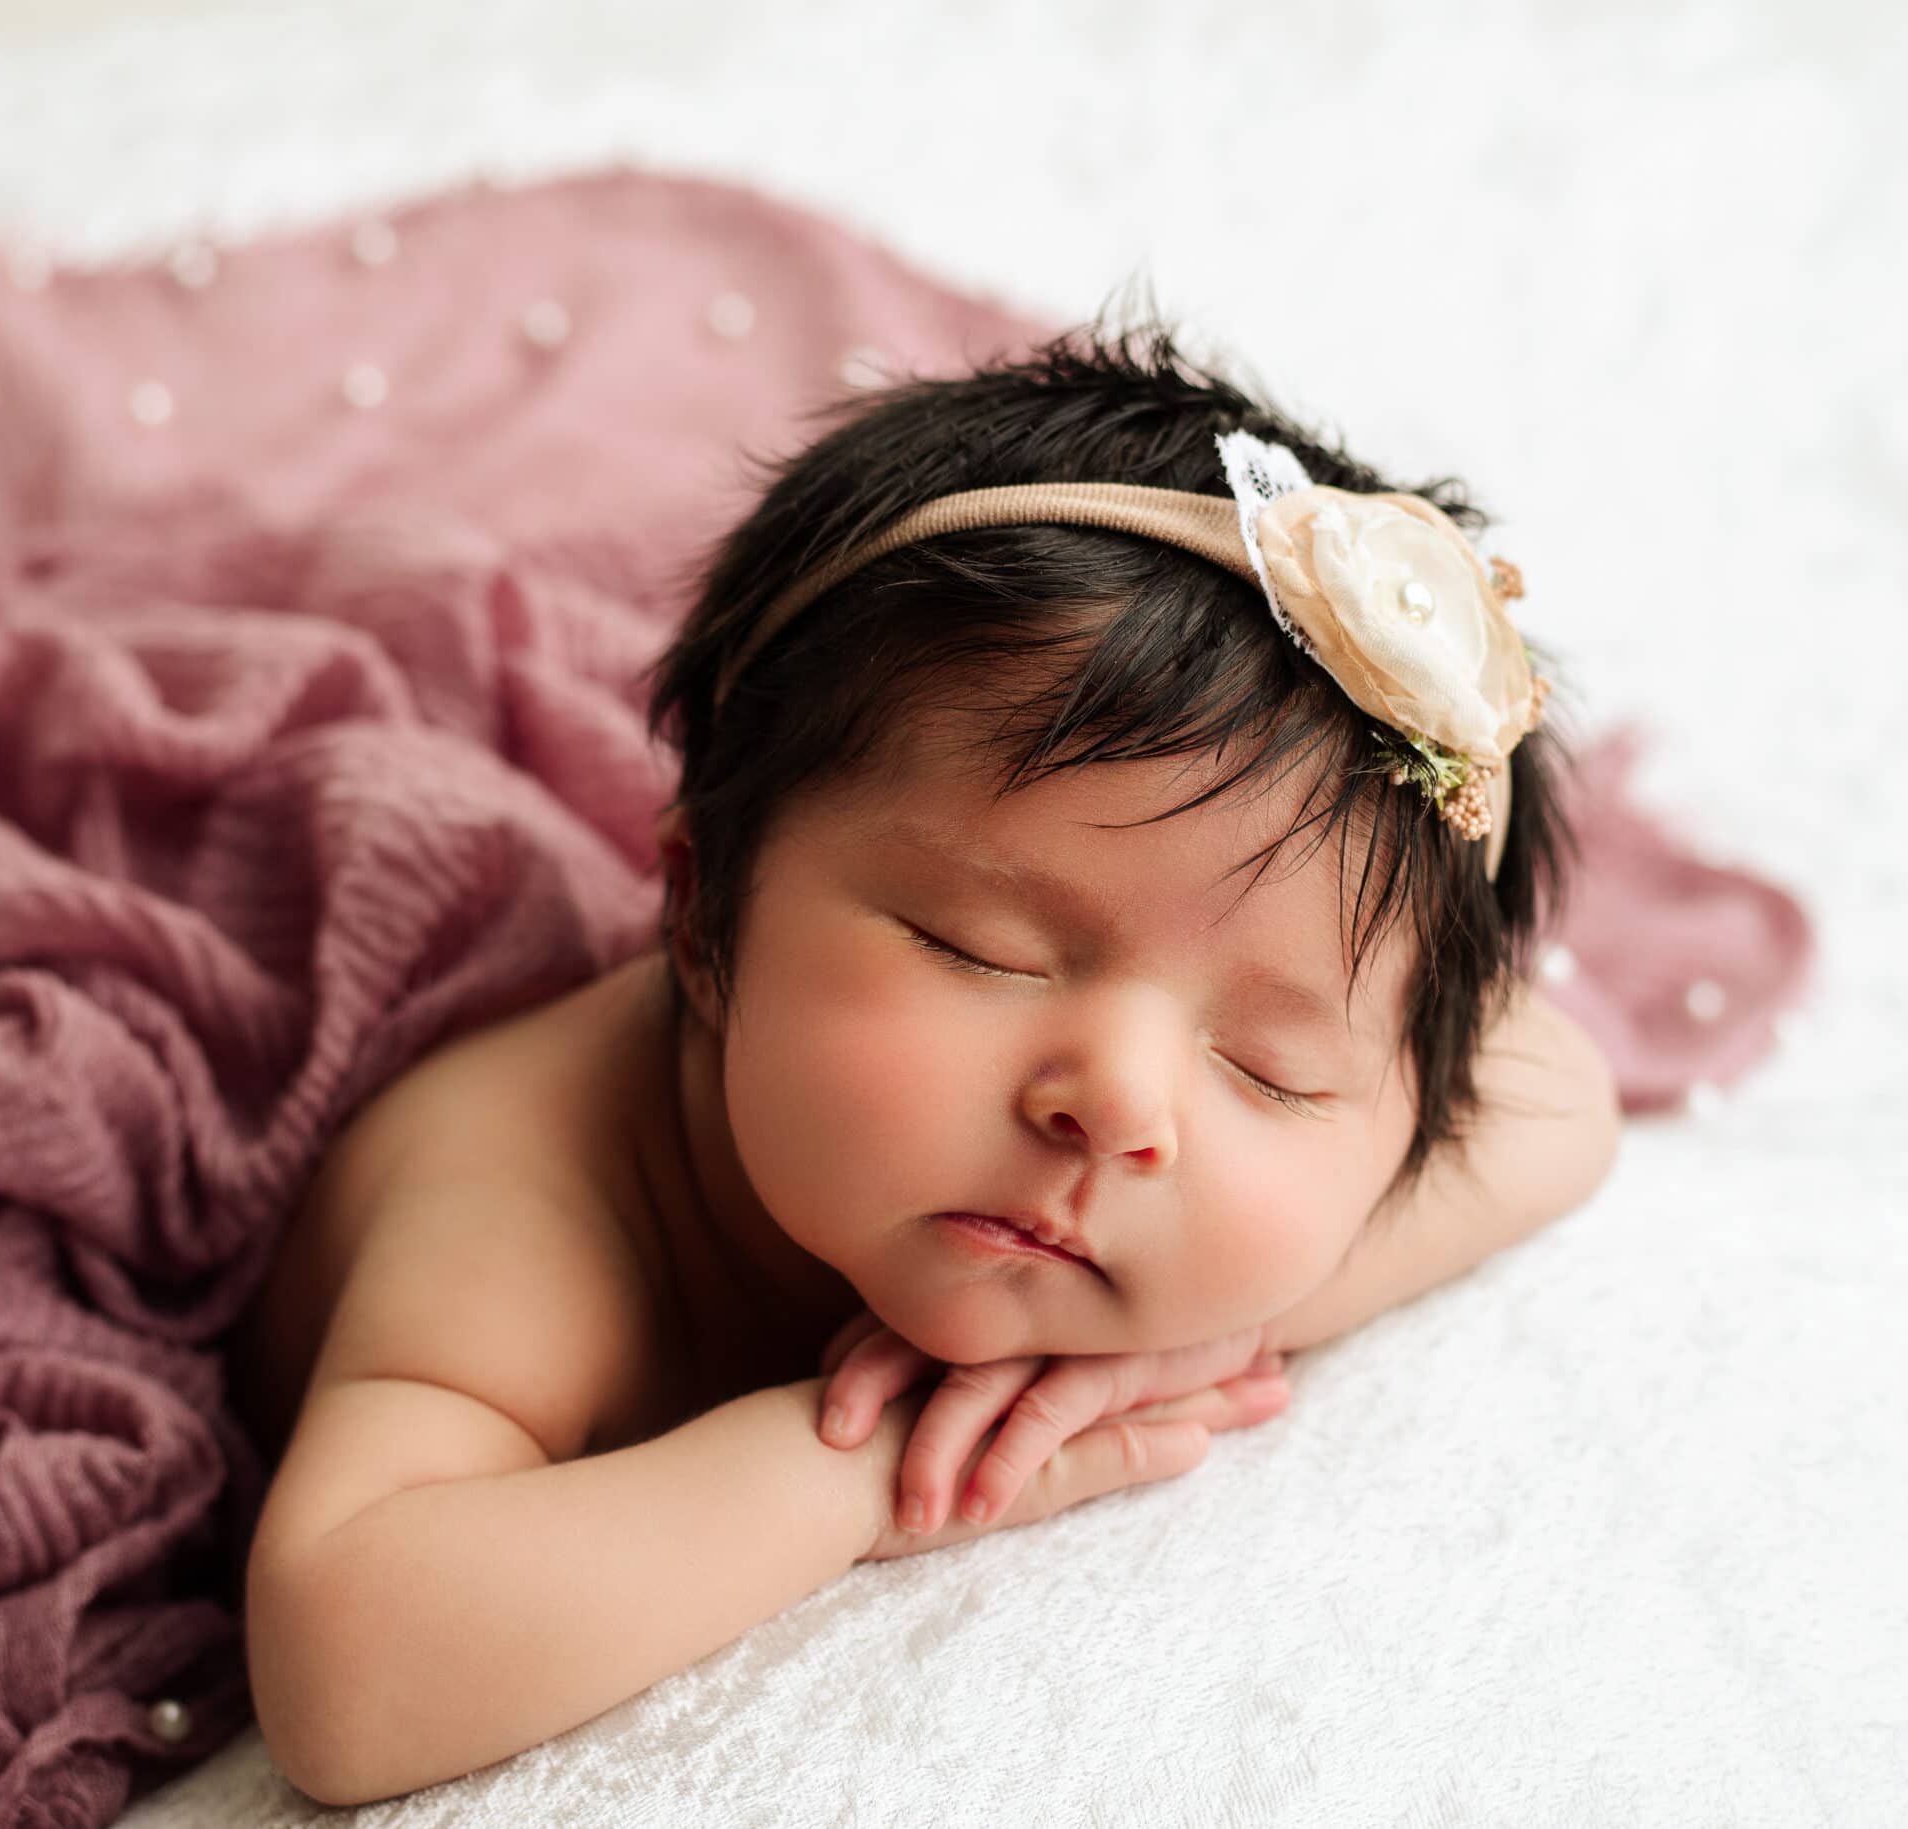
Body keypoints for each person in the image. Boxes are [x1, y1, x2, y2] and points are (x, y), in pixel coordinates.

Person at [234, 320, 1624, 1805]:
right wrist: (865, 1467)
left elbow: (1563, 1093)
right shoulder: (527, 1186)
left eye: (1271, 1068)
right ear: (702, 911)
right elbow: (348, 1668)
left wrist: (1178, 1338)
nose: (1120, 1107)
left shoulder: (1223, 1138)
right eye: (985, 948)